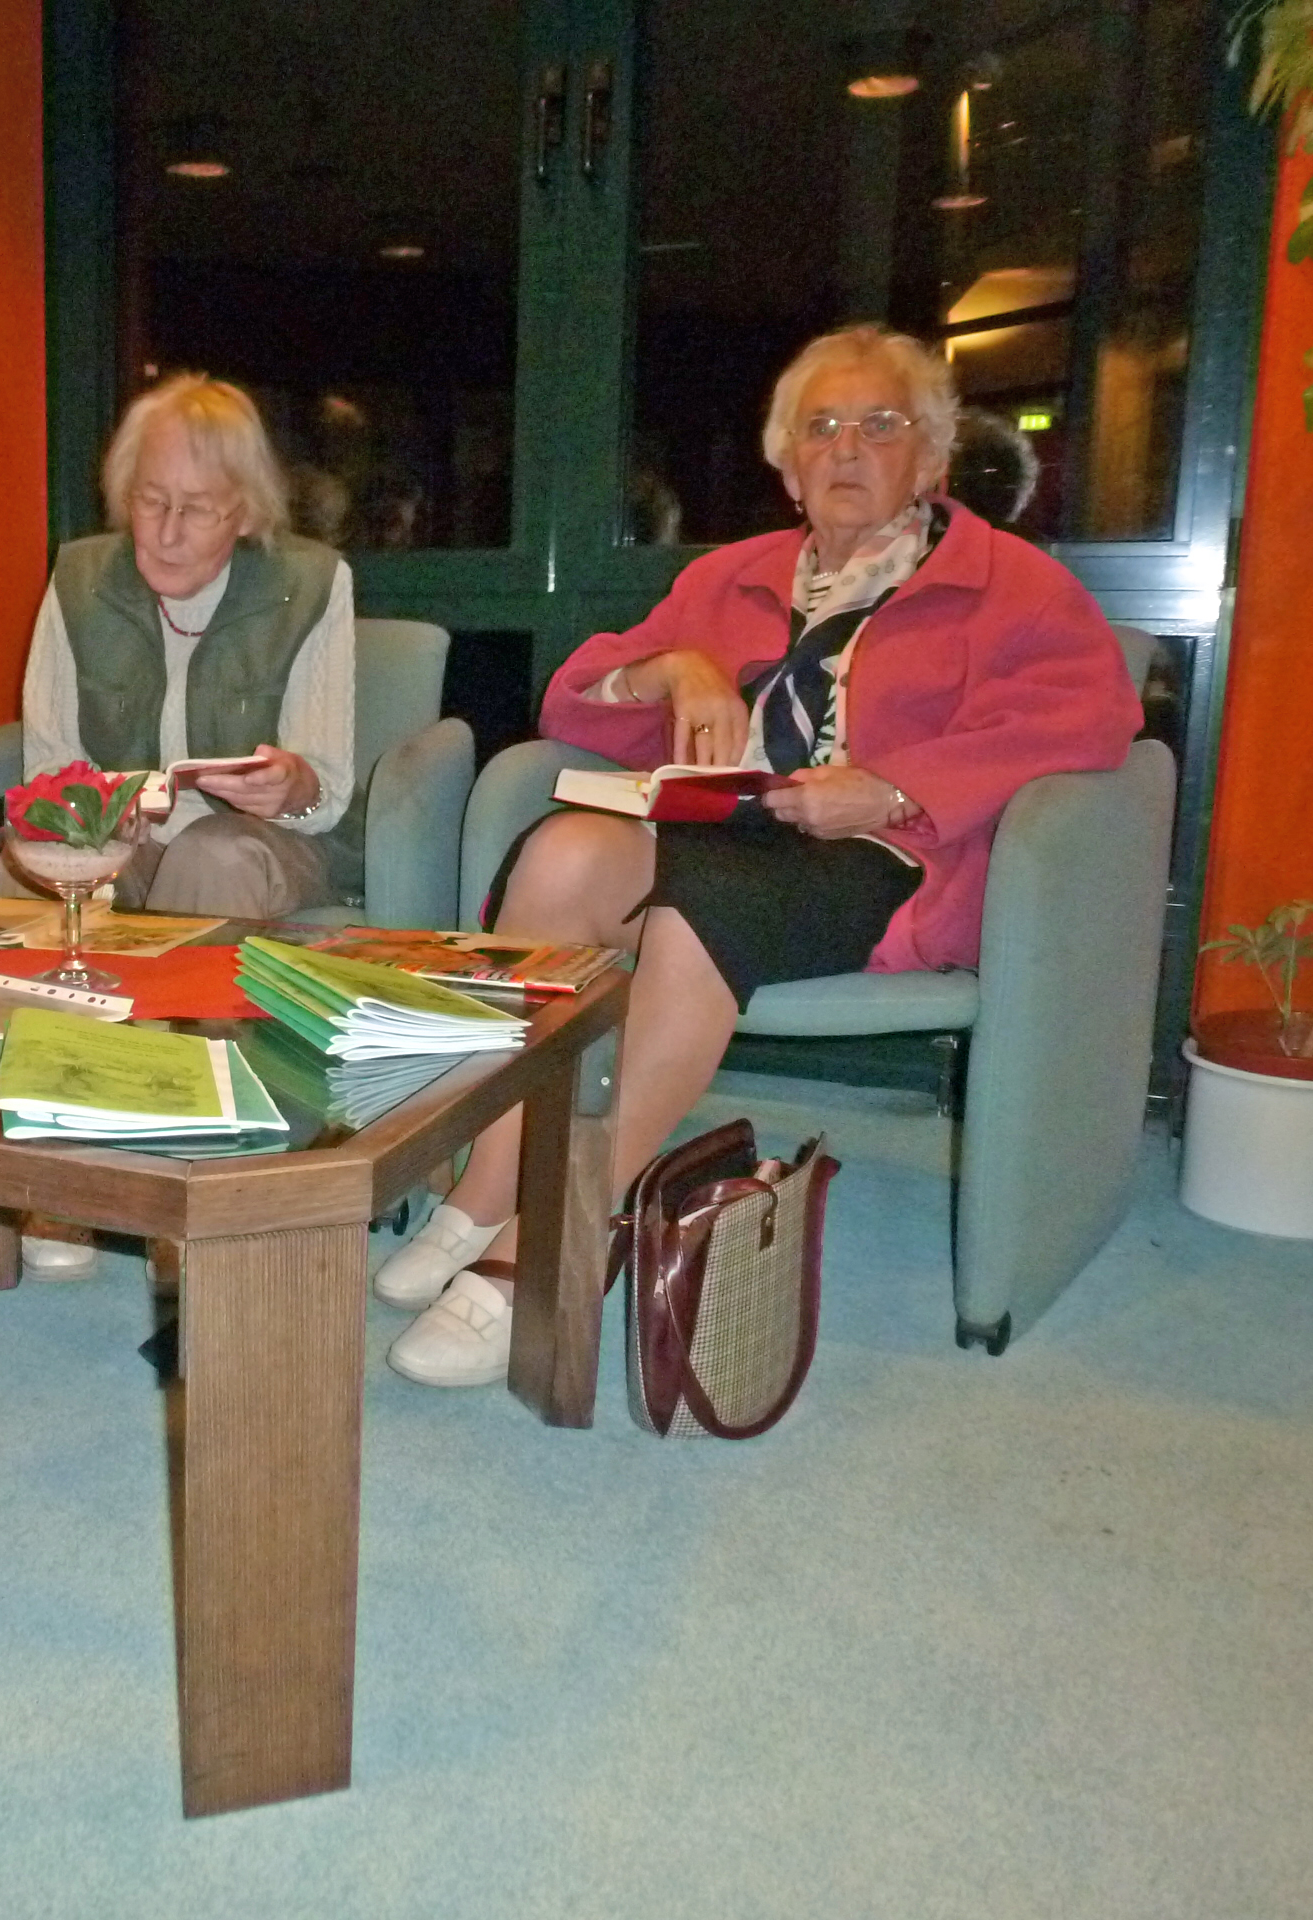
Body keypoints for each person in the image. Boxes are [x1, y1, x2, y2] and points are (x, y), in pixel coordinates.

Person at [377, 324, 1142, 1388]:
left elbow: (1091, 721)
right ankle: (484, 1186)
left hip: (879, 851)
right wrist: (674, 669)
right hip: (717, 826)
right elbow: (571, 697)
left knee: (699, 907)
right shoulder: (730, 577)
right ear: (785, 467)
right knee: (556, 857)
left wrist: (892, 783)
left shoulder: (1010, 586)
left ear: (929, 456)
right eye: (819, 427)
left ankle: (561, 1236)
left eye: (880, 425)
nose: (845, 448)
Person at [15, 372, 359, 923]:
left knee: (210, 857)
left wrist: (294, 790)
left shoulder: (310, 584)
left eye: (197, 509)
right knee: (39, 852)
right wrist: (103, 807)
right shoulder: (81, 580)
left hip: (259, 847)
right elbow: (49, 762)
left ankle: (185, 1012)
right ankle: (48, 1007)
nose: (166, 533)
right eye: (151, 501)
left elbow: (328, 792)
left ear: (246, 513)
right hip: (128, 842)